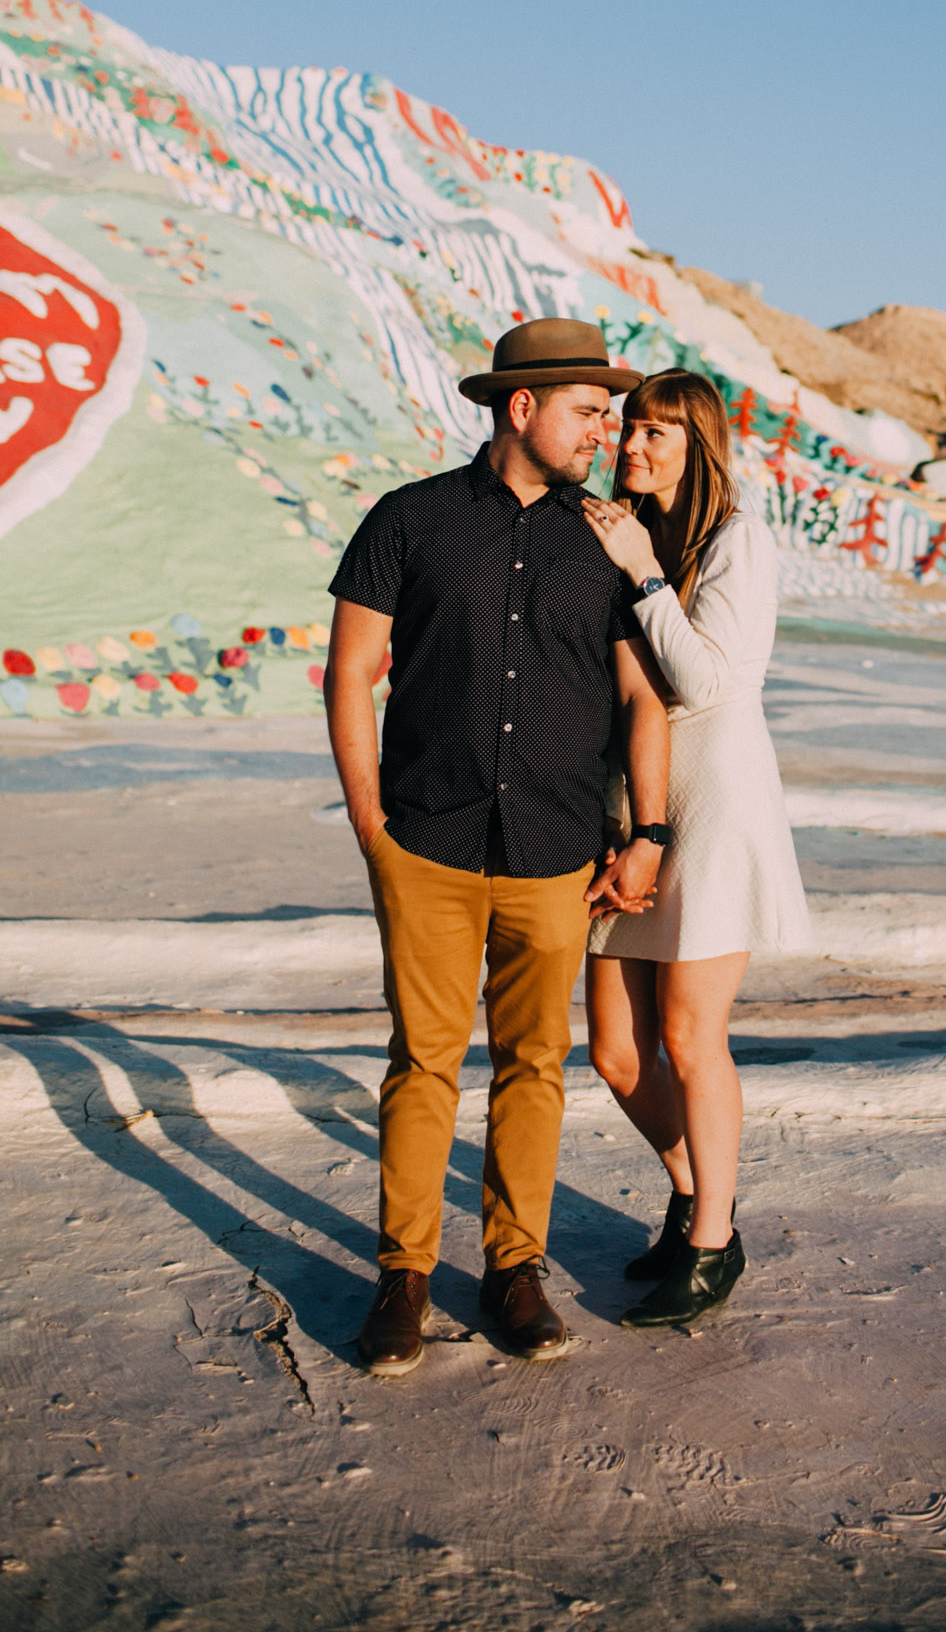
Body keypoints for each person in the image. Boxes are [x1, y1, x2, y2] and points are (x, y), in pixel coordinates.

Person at [324, 318, 671, 1377]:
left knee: (535, 1065)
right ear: (521, 409)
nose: (603, 430)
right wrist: (369, 821)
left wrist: (647, 833)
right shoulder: (409, 520)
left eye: (607, 414)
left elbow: (643, 697)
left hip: (558, 851)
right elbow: (350, 673)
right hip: (424, 841)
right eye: (587, 410)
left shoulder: (606, 540)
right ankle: (404, 1278)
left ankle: (513, 1272)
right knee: (422, 1063)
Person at [581, 369, 812, 1329]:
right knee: (615, 1051)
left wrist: (640, 571)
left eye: (658, 433)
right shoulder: (621, 531)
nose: (634, 446)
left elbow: (708, 681)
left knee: (688, 1036)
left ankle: (713, 1246)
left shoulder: (735, 542)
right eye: (630, 429)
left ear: (700, 444)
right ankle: (694, 1197)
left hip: (712, 805)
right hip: (627, 808)